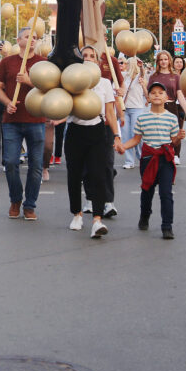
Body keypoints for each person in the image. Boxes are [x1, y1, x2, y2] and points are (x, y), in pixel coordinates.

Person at [64, 46, 123, 238]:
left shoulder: (105, 83)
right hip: (75, 132)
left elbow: (110, 114)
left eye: (92, 56)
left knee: (98, 175)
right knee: (74, 175)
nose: (88, 59)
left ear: (98, 62)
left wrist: (116, 136)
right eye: (85, 56)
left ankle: (97, 220)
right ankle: (77, 214)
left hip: (97, 131)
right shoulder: (70, 81)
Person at [0, 28, 45, 220]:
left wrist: (29, 81)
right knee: (11, 162)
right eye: (28, 37)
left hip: (36, 119)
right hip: (11, 121)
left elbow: (49, 88)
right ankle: (16, 199)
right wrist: (7, 103)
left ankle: (30, 205)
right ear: (18, 39)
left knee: (36, 166)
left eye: (35, 38)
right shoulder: (7, 62)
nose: (32, 40)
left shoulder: (43, 63)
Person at [121, 81, 186, 239]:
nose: (157, 95)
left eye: (160, 92)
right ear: (148, 98)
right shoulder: (142, 118)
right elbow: (136, 139)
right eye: (153, 93)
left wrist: (178, 138)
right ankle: (145, 215)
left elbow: (173, 141)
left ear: (167, 97)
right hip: (148, 159)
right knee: (147, 192)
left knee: (166, 193)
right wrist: (123, 147)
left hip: (165, 159)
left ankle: (167, 226)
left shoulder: (171, 118)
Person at [149, 51, 186, 164]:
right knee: (158, 132)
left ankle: (175, 154)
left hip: (172, 106)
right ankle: (158, 153)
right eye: (161, 59)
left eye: (165, 59)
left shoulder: (175, 77)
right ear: (158, 61)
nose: (163, 62)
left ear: (169, 61)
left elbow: (179, 94)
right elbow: (148, 94)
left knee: (175, 131)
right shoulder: (153, 77)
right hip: (157, 107)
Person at [120, 57, 148, 170]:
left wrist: (141, 66)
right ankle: (129, 161)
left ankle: (142, 157)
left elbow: (142, 73)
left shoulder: (139, 77)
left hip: (137, 109)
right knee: (126, 135)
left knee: (136, 135)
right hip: (125, 109)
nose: (127, 65)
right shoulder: (124, 76)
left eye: (128, 63)